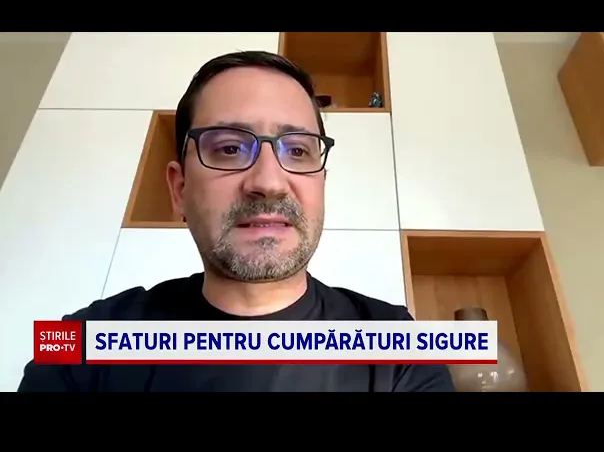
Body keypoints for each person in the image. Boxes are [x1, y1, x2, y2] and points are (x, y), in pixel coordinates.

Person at [18, 51, 455, 392]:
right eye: (229, 148)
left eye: (297, 150)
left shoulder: (398, 348)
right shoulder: (78, 342)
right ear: (179, 189)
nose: (269, 182)